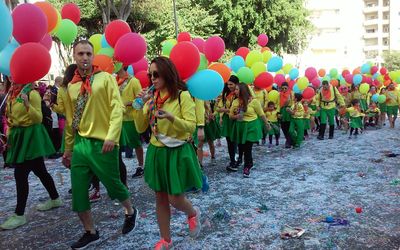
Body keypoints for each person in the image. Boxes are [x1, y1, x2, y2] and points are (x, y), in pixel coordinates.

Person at [62, 40, 138, 249]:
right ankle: (90, 231)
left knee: (113, 184)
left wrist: (112, 136)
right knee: (78, 192)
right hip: (81, 145)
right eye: (80, 54)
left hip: (103, 142)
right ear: (74, 57)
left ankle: (130, 211)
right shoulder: (72, 86)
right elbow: (71, 120)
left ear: (93, 56)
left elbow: (116, 108)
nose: (84, 57)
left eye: (88, 53)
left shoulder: (105, 78)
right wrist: (68, 149)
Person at [134, 56, 202, 250]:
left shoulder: (182, 96)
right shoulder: (152, 99)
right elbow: (140, 128)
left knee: (175, 198)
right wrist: (141, 105)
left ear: (167, 73)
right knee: (160, 197)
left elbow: (190, 127)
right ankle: (166, 240)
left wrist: (172, 118)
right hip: (157, 152)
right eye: (150, 75)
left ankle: (193, 213)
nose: (152, 78)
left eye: (156, 74)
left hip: (177, 152)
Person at [0, 80, 61, 230]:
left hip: (31, 137)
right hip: (19, 136)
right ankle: (55, 198)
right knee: (40, 171)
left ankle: (19, 215)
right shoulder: (11, 94)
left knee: (20, 174)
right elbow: (11, 117)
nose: (12, 76)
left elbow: (38, 119)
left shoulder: (31, 93)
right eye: (10, 73)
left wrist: (27, 104)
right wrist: (9, 133)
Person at [230, 82, 270, 177]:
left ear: (243, 90)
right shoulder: (235, 102)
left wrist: (267, 124)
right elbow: (230, 116)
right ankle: (249, 162)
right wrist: (236, 116)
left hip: (252, 125)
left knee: (248, 147)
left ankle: (247, 166)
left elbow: (261, 114)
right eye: (235, 89)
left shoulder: (254, 101)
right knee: (242, 147)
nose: (235, 91)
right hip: (241, 126)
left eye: (237, 89)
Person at [115, 66, 144, 178]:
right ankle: (119, 169)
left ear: (122, 65)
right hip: (117, 118)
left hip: (131, 117)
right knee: (117, 145)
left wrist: (129, 103)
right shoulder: (114, 80)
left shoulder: (133, 81)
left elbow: (141, 99)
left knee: (135, 143)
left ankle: (141, 166)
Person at [216, 76, 239, 170]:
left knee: (237, 141)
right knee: (230, 141)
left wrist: (226, 110)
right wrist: (226, 111)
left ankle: (239, 160)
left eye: (231, 84)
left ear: (236, 84)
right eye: (228, 84)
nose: (229, 86)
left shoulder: (240, 93)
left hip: (237, 120)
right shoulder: (226, 95)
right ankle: (232, 161)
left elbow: (242, 108)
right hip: (228, 120)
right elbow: (218, 108)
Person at [278, 82, 294, 148]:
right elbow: (277, 103)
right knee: (283, 126)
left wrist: (291, 110)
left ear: (288, 88)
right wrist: (278, 113)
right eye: (282, 88)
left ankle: (289, 141)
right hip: (282, 111)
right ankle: (288, 140)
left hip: (289, 110)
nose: (284, 89)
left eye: (285, 88)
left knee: (289, 126)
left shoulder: (291, 93)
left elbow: (293, 102)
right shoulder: (279, 94)